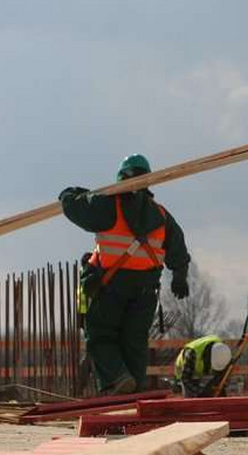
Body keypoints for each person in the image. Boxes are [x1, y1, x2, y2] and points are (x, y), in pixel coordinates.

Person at [60, 154, 192, 395]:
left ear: (120, 179)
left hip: (112, 288)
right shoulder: (161, 216)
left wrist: (68, 194)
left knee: (100, 336)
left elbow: (74, 205)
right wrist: (179, 276)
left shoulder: (108, 205)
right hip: (145, 292)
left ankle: (118, 378)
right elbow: (178, 249)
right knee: (134, 343)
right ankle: (133, 393)